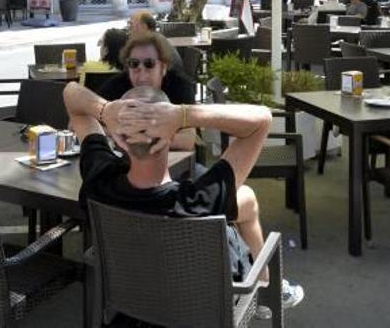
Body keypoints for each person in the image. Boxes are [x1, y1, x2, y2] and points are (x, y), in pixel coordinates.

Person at [64, 83, 305, 321]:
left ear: (118, 139)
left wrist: (106, 110)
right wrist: (182, 115)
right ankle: (265, 281)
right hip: (207, 312)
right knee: (241, 214)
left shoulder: (99, 179)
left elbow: (71, 96)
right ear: (173, 135)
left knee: (246, 200)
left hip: (133, 309)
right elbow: (261, 118)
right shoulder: (200, 201)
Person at [97, 32, 196, 150]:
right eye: (134, 64)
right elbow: (77, 123)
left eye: (149, 64)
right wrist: (117, 131)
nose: (142, 72)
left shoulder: (180, 86)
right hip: (127, 161)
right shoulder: (116, 86)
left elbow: (189, 140)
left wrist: (148, 140)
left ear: (163, 68)